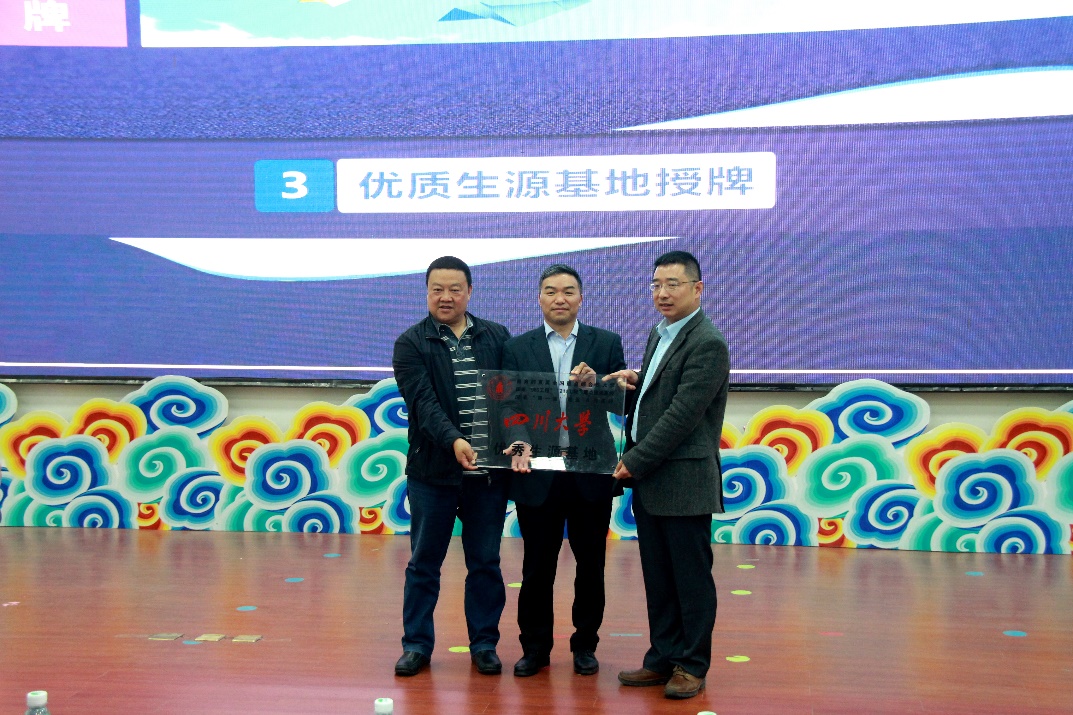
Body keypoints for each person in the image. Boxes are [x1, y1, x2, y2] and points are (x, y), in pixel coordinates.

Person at [604, 250, 729, 700]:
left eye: (673, 284)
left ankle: (691, 664)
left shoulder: (707, 343)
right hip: (654, 479)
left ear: (698, 289)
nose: (662, 293)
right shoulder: (661, 332)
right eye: (656, 284)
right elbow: (660, 396)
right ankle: (662, 655)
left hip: (683, 480)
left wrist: (636, 460)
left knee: (690, 579)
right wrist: (636, 383)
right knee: (658, 577)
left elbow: (682, 416)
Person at [499, 264, 627, 678]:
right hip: (538, 472)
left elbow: (622, 402)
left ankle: (585, 645)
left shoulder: (605, 343)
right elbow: (508, 404)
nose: (560, 298)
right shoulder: (518, 347)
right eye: (551, 291)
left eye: (568, 291)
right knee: (537, 568)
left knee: (591, 567)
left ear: (581, 298)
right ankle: (535, 648)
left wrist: (597, 384)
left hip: (590, 471)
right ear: (539, 298)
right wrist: (519, 441)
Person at [391, 255, 511, 677]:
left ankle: (484, 644)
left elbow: (515, 398)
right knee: (424, 563)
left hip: (487, 477)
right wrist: (454, 440)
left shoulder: (497, 336)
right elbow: (423, 404)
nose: (446, 297)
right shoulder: (411, 343)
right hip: (432, 475)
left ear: (469, 292)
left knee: (485, 563)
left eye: (454, 289)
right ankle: (416, 645)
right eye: (437, 289)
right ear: (427, 292)